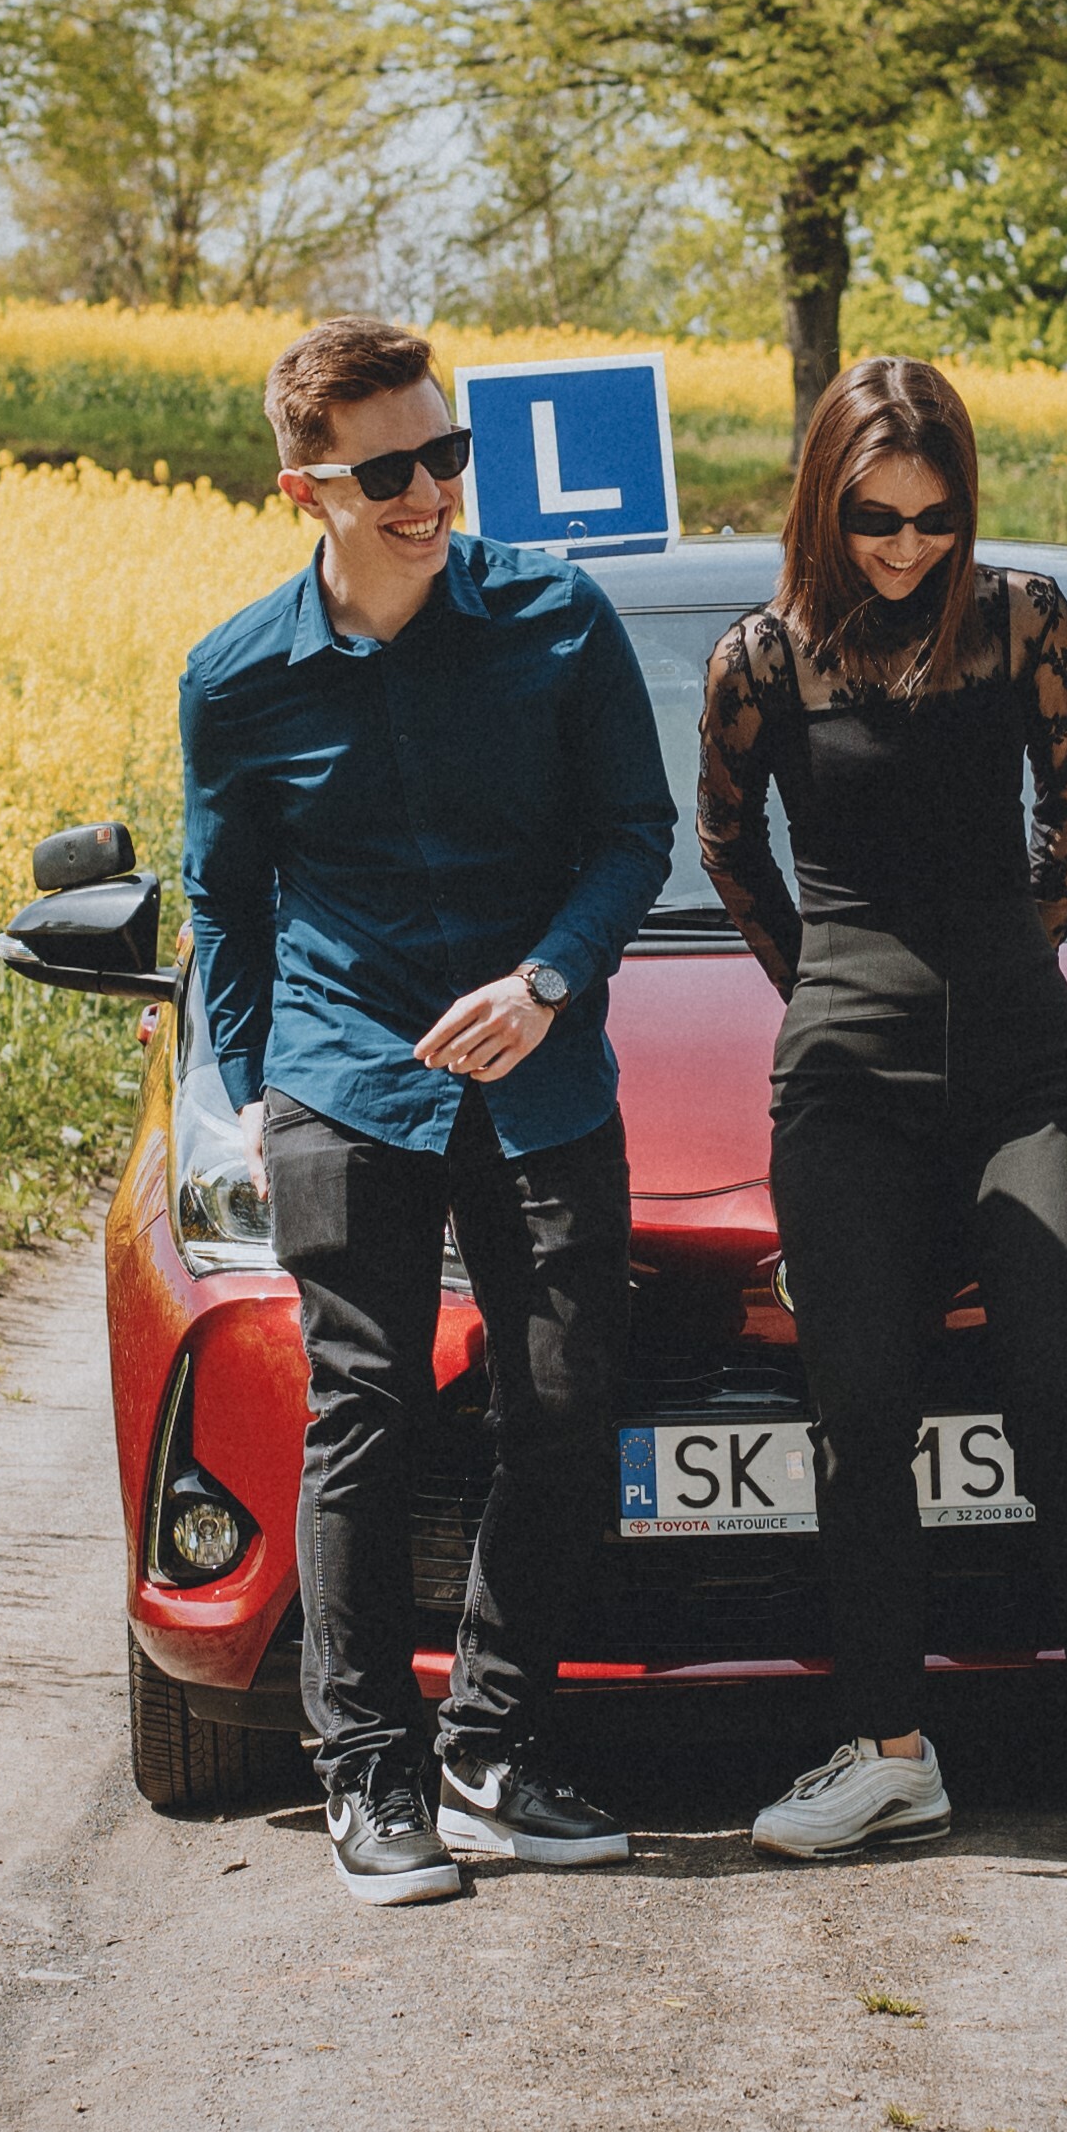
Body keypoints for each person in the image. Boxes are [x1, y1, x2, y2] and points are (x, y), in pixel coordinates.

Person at [179, 317, 677, 1907]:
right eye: (386, 469)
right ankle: (366, 1769)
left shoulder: (555, 617)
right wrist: (247, 1095)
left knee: (563, 1405)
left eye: (444, 453)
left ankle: (491, 1750)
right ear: (303, 489)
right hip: (343, 1078)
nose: (426, 493)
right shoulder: (235, 678)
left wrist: (547, 978)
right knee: (367, 1408)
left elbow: (632, 832)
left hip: (541, 1073)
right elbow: (224, 902)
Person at [691, 355, 1067, 1869]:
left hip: (1027, 1073)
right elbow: (726, 847)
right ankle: (892, 1754)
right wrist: (826, 988)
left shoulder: (1022, 618)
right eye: (875, 519)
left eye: (932, 515)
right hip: (844, 1084)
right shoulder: (759, 661)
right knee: (857, 1413)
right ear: (823, 507)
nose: (906, 546)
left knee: (1060, 1391)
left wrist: (1014, 956)